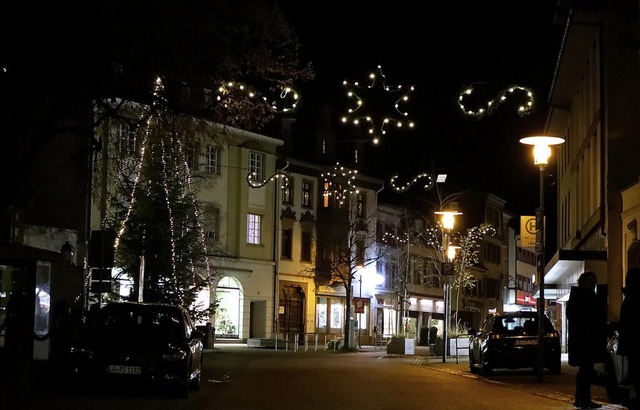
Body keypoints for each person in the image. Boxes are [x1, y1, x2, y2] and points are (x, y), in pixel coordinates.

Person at [567, 271, 606, 409]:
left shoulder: (581, 296)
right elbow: (583, 318)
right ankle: (583, 398)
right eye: (591, 281)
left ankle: (583, 398)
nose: (593, 283)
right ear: (584, 282)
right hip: (585, 341)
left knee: (586, 370)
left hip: (586, 340)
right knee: (586, 370)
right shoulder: (582, 297)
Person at [619, 267, 640, 409]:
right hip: (635, 343)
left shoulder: (628, 299)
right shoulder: (634, 299)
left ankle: (634, 399)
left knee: (634, 372)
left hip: (631, 343)